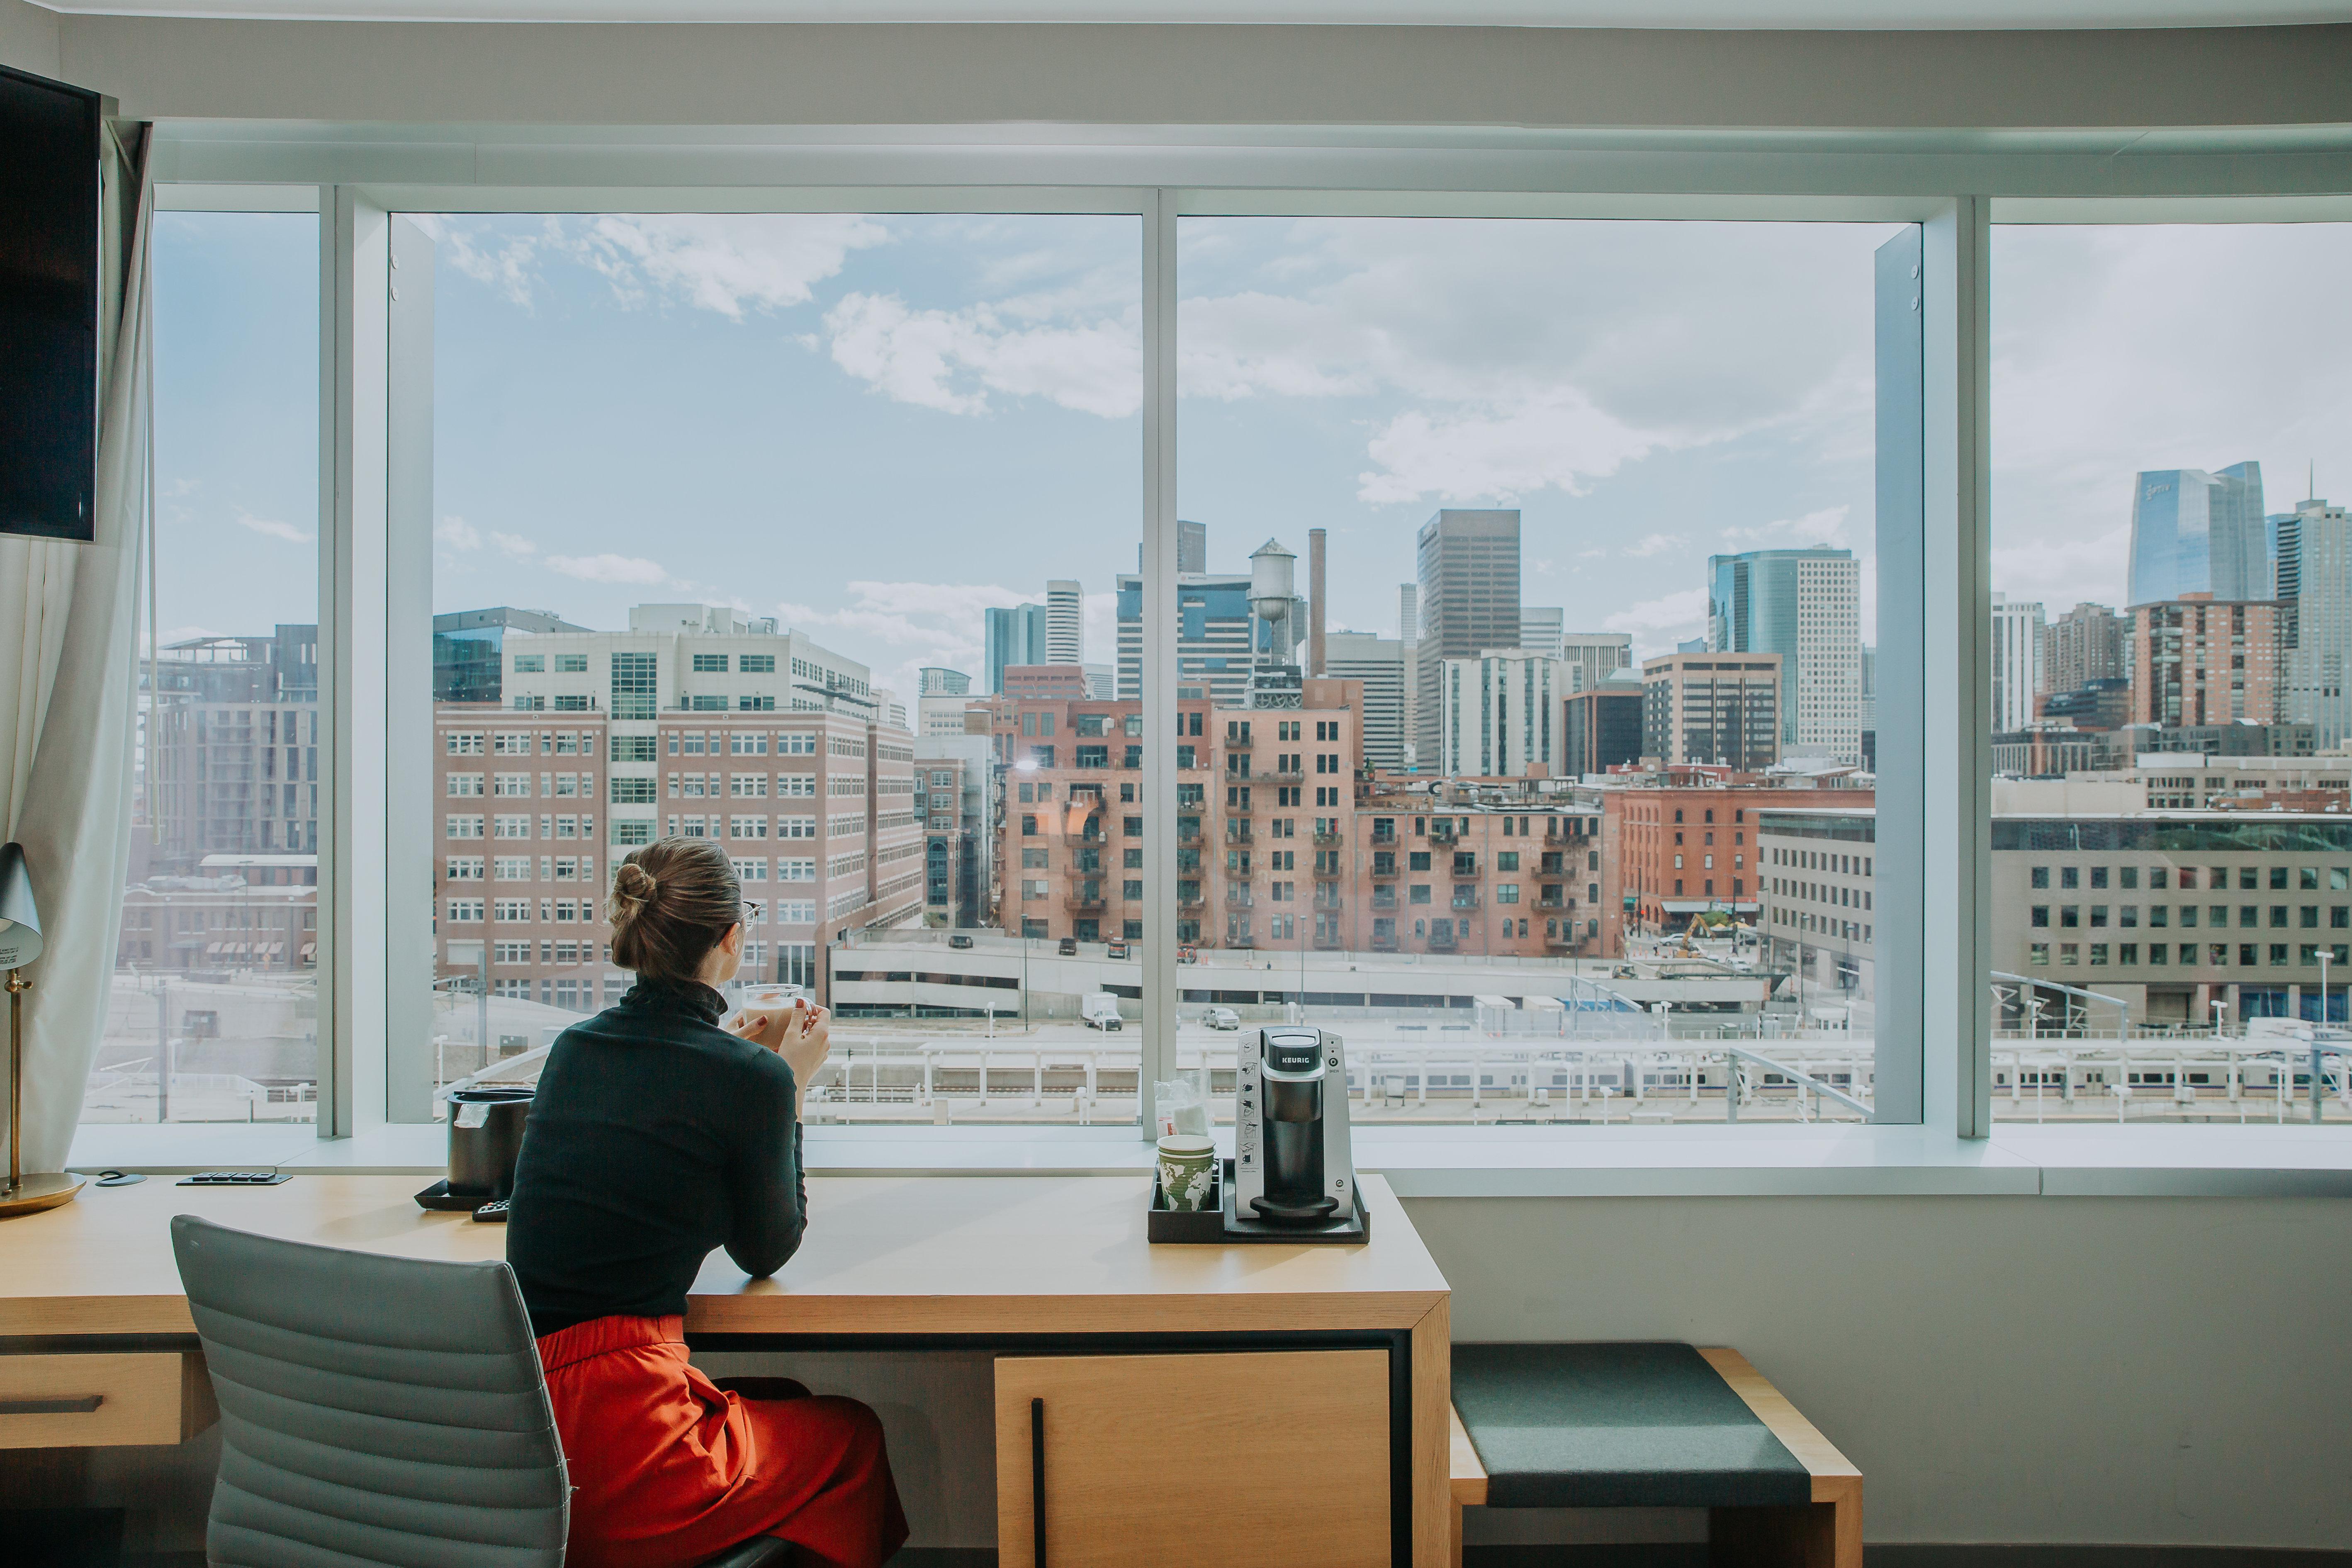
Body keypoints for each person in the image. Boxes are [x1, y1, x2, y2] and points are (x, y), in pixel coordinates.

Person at [506, 837, 907, 1568]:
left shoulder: (571, 1050)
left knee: (780, 1393)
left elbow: (659, 1105)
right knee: (852, 1435)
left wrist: (749, 1070)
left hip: (525, 1436)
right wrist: (790, 1090)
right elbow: (766, 1250)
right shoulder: (750, 1079)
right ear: (731, 935)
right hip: (626, 1442)